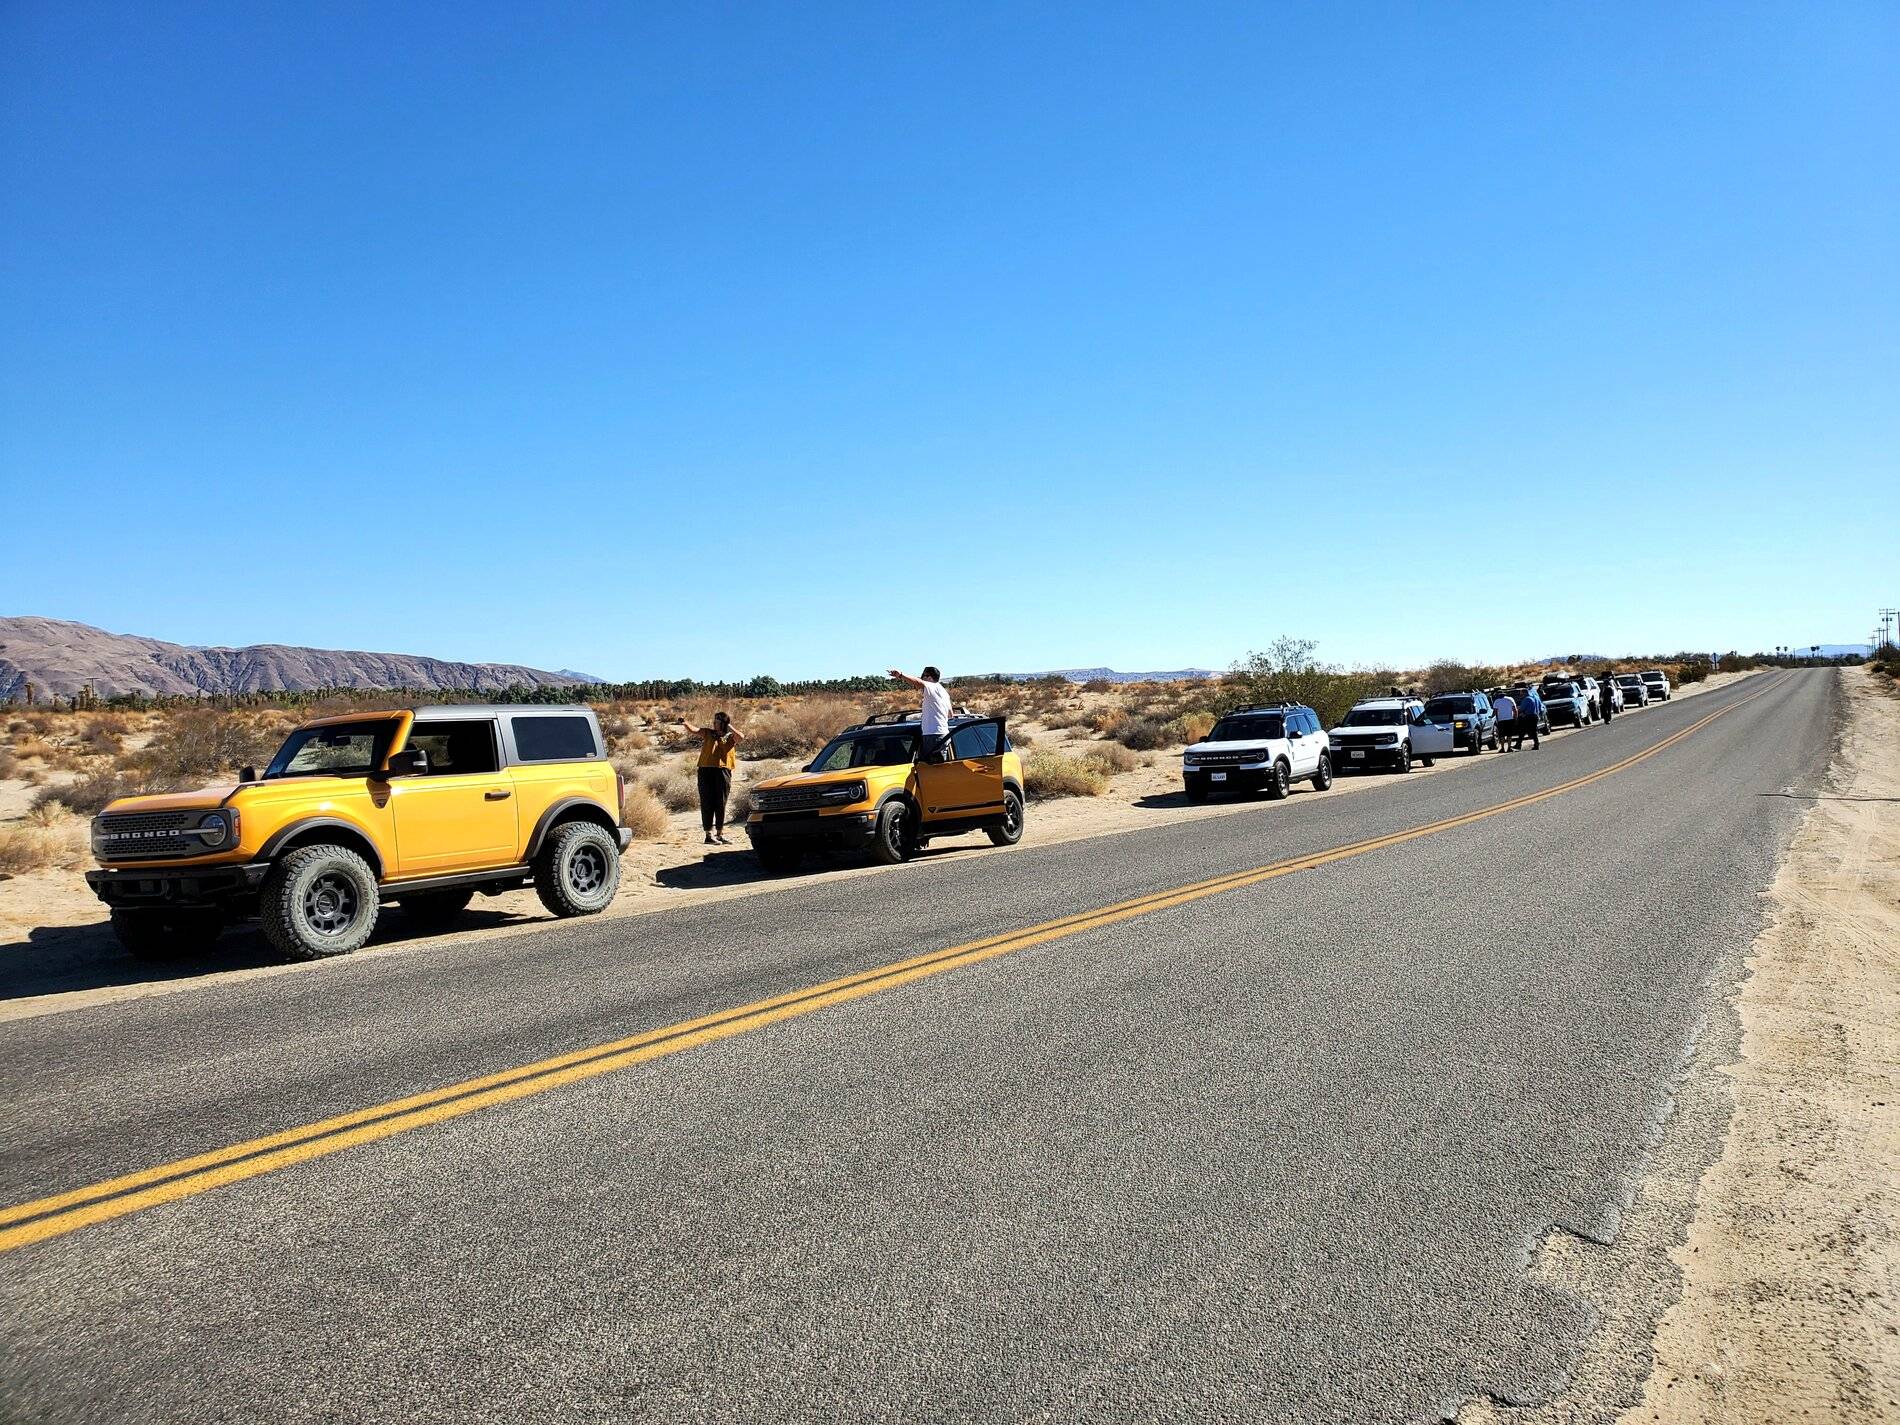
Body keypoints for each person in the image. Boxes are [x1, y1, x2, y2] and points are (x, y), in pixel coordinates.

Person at [680, 711, 742, 845]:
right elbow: (695, 730)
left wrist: (729, 727)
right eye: (714, 721)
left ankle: (719, 834)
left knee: (721, 802)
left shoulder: (730, 737)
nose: (713, 723)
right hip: (705, 770)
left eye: (717, 721)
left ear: (723, 723)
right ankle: (708, 835)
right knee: (707, 801)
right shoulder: (708, 733)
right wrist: (685, 723)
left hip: (723, 771)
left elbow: (741, 737)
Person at [888, 665, 953, 762]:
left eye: (923, 676)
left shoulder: (932, 686)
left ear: (929, 677)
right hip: (943, 734)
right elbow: (950, 714)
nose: (922, 678)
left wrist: (901, 675)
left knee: (930, 771)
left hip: (933, 735)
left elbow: (918, 683)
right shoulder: (943, 692)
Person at [1515, 685, 1544, 751]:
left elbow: (1521, 709)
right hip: (1534, 716)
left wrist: (1518, 712)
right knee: (1531, 731)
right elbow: (1539, 707)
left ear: (1525, 693)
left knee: (1524, 731)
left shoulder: (1526, 699)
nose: (1520, 695)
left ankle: (1519, 744)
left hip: (1528, 717)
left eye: (1521, 694)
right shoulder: (1534, 698)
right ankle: (1519, 744)